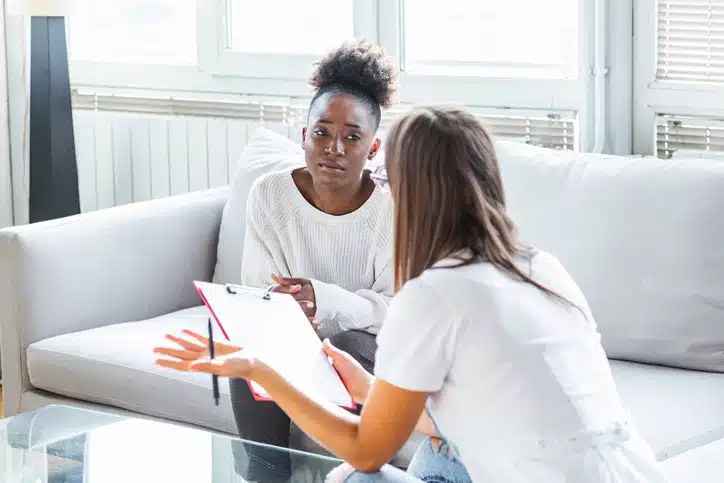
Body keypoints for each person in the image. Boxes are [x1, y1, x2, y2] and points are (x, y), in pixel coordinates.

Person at [155, 106, 669, 482]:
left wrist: (259, 369)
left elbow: (366, 453)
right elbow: (489, 416)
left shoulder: (434, 295)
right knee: (439, 453)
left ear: (412, 192)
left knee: (356, 480)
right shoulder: (540, 266)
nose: (385, 192)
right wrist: (365, 391)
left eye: (387, 179)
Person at [229, 38, 398, 481]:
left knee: (345, 349)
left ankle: (351, 467)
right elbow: (255, 293)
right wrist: (283, 312)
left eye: (352, 137)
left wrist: (325, 301)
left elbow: (397, 311)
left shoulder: (390, 212)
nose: (333, 149)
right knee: (250, 353)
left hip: (365, 342)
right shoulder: (269, 194)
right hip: (292, 335)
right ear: (304, 136)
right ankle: (265, 471)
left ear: (373, 148)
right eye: (321, 133)